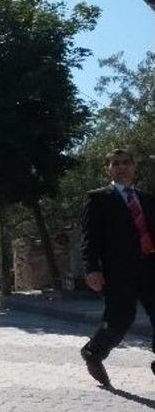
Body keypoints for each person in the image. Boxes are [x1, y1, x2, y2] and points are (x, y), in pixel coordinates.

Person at [80, 148, 155, 388]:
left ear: (134, 167)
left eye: (126, 162)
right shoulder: (99, 198)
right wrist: (92, 268)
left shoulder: (147, 199)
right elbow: (90, 237)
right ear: (107, 169)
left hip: (151, 268)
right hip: (119, 272)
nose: (121, 167)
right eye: (115, 163)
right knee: (120, 320)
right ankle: (93, 353)